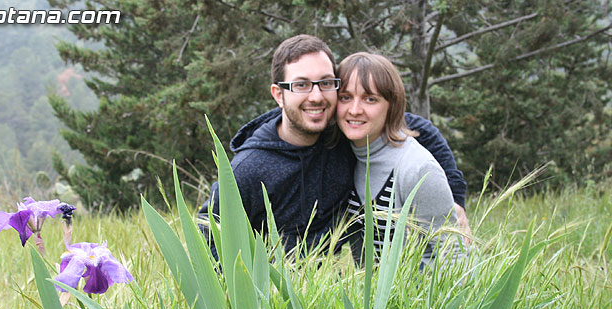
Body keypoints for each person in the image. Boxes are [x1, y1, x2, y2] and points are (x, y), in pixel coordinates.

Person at [199, 34, 467, 256]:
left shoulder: (341, 131)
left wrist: (454, 198)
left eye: (325, 83)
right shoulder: (249, 168)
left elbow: (417, 128)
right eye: (301, 85)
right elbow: (208, 231)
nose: (316, 96)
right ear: (279, 94)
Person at [336, 52, 461, 266]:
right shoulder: (342, 157)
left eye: (370, 99)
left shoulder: (418, 169)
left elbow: (453, 256)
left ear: (392, 105)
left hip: (417, 296)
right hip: (369, 297)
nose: (354, 110)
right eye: (345, 97)